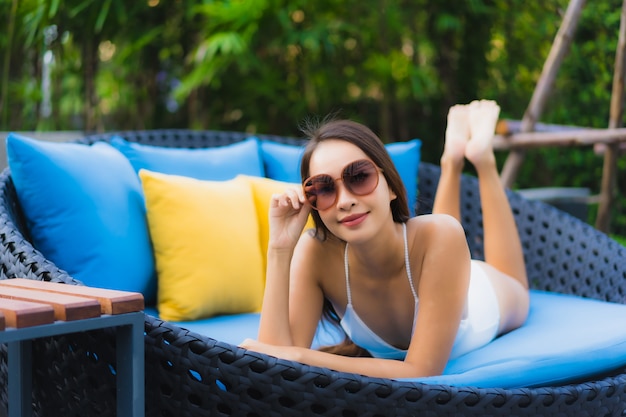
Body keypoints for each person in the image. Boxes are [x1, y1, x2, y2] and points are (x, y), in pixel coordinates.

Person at [241, 100, 529, 379]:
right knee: (439, 235)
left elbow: (421, 370)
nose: (345, 201)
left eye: (359, 177)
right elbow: (272, 364)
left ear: (391, 186)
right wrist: (280, 248)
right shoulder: (316, 251)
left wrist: (302, 356)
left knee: (473, 253)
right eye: (324, 188)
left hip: (480, 296)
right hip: (436, 264)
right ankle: (452, 158)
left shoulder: (440, 237)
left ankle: (479, 158)